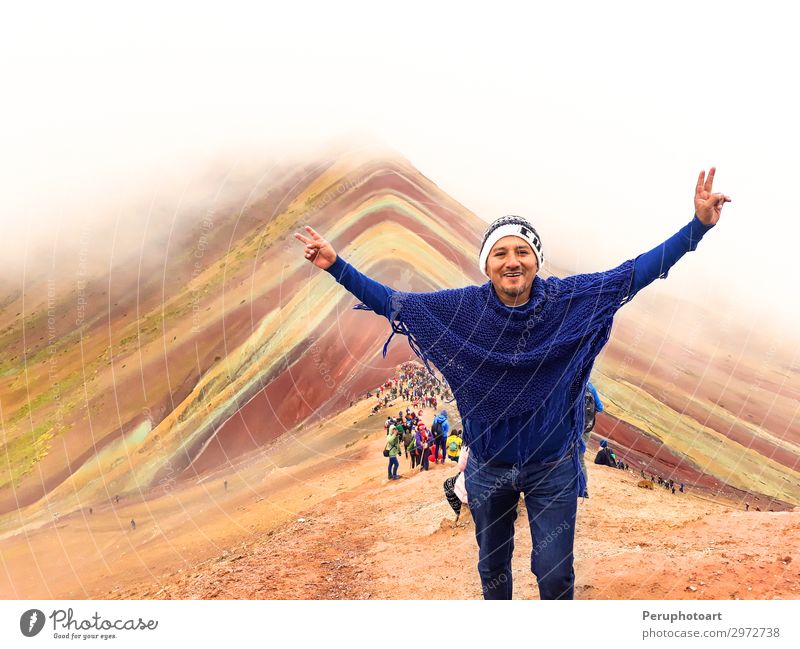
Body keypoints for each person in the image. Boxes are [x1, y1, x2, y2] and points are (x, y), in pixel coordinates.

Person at [295, 167, 730, 600]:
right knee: (493, 573)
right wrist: (337, 266)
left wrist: (697, 227)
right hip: (489, 468)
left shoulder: (569, 302)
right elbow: (393, 303)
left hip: (553, 467)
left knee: (555, 575)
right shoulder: (461, 310)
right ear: (486, 264)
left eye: (522, 251)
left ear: (536, 260)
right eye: (500, 253)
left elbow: (636, 273)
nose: (512, 261)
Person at [579, 381, 603, 498]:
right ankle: (583, 489)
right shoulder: (590, 385)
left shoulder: (569, 379)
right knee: (580, 458)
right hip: (586, 429)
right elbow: (600, 407)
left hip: (570, 428)